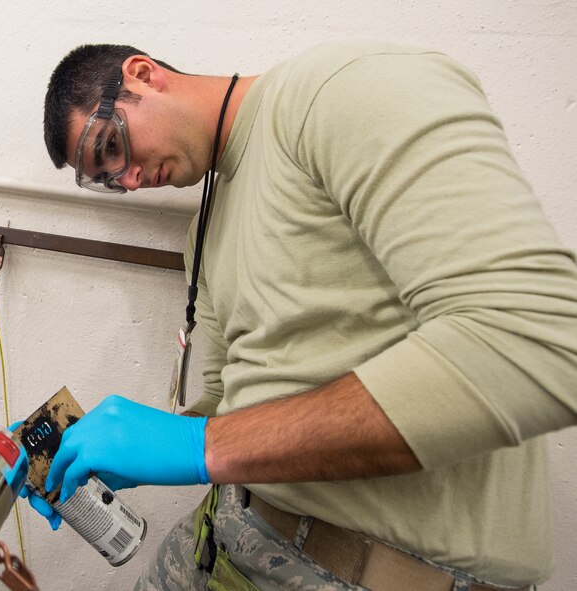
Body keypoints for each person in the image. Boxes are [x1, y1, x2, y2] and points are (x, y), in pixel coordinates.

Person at [31, 41, 577, 590]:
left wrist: (202, 448)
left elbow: (536, 341)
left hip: (371, 568)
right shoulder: (203, 231)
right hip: (226, 535)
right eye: (104, 178)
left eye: (111, 146)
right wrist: (114, 450)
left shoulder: (340, 94)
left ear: (144, 76)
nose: (127, 180)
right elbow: (230, 408)